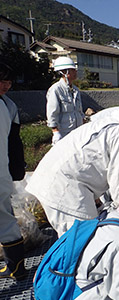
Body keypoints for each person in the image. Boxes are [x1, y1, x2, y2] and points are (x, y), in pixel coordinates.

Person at [26, 91, 119, 237]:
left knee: (86, 235)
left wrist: (99, 202)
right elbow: (118, 179)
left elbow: (90, 164)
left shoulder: (114, 122)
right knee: (80, 241)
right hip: (64, 187)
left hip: (60, 179)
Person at [0, 63, 26, 280]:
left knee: (5, 218)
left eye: (8, 81)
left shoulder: (8, 105)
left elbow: (14, 141)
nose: (6, 85)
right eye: (2, 80)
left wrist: (17, 168)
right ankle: (16, 267)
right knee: (6, 219)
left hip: (2, 172)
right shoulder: (7, 106)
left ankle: (16, 267)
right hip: (2, 173)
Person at [46, 56, 84, 145]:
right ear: (64, 72)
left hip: (77, 131)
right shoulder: (56, 89)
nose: (75, 72)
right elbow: (52, 112)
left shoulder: (76, 90)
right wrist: (55, 132)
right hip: (64, 132)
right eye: (72, 70)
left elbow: (79, 111)